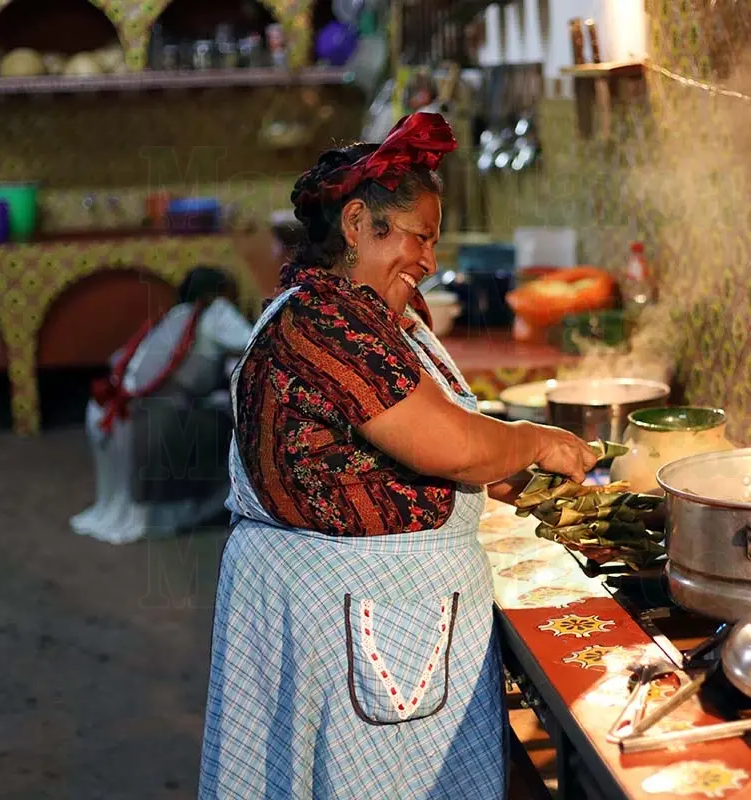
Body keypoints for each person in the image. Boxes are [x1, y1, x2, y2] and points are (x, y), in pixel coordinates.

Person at [199, 112, 596, 799]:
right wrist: (533, 440)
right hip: (353, 623)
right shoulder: (325, 324)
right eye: (420, 238)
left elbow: (380, 446)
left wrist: (476, 485)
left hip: (367, 612)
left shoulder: (348, 310)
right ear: (357, 225)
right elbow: (457, 445)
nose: (430, 261)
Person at [70, 266, 253, 545]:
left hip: (123, 407)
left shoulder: (173, 315)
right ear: (215, 293)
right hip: (163, 412)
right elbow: (252, 341)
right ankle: (204, 507)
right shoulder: (216, 313)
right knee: (240, 425)